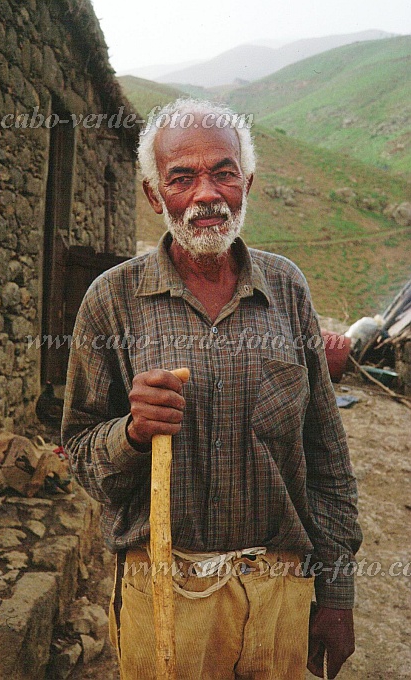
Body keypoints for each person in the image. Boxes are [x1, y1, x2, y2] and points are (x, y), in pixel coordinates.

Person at [62, 98, 362, 680]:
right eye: (182, 177)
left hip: (279, 593)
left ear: (246, 183)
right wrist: (130, 434)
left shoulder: (288, 288)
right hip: (164, 597)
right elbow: (78, 452)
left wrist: (339, 591)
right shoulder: (110, 300)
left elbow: (326, 452)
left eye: (223, 172)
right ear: (155, 196)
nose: (206, 194)